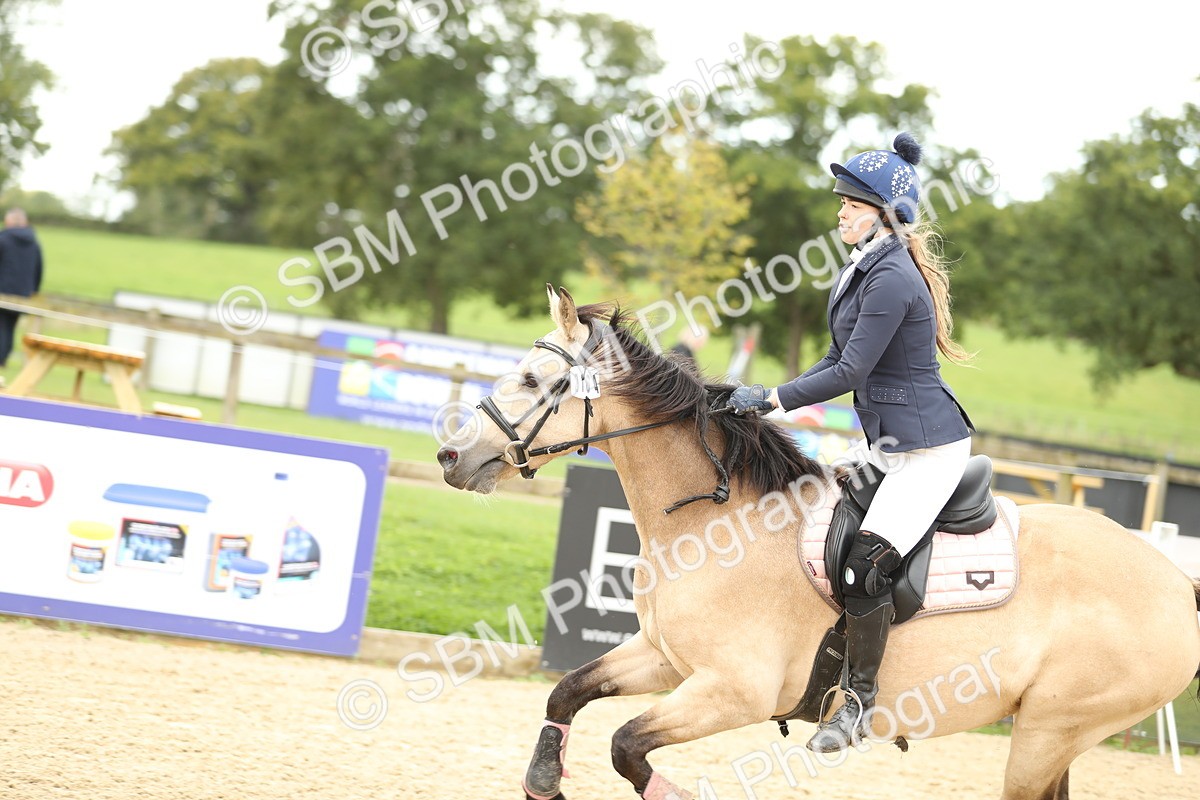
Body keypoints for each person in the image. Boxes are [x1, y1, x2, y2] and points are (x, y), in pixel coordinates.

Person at [724, 133, 975, 752]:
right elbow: (835, 355)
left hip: (925, 452)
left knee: (865, 561)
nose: (840, 211)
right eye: (842, 201)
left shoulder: (892, 278)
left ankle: (858, 703)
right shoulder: (863, 267)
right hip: (887, 446)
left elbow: (849, 373)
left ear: (885, 212)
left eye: (852, 203)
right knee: (809, 522)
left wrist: (769, 399)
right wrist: (770, 394)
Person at [0, 208, 44, 369]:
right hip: (23, 293)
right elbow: (39, 268)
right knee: (9, 326)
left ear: (8, 221)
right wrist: (34, 290)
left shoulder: (3, 239)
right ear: (24, 222)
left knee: (2, 325)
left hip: (2, 290)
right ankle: (3, 358)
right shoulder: (34, 243)